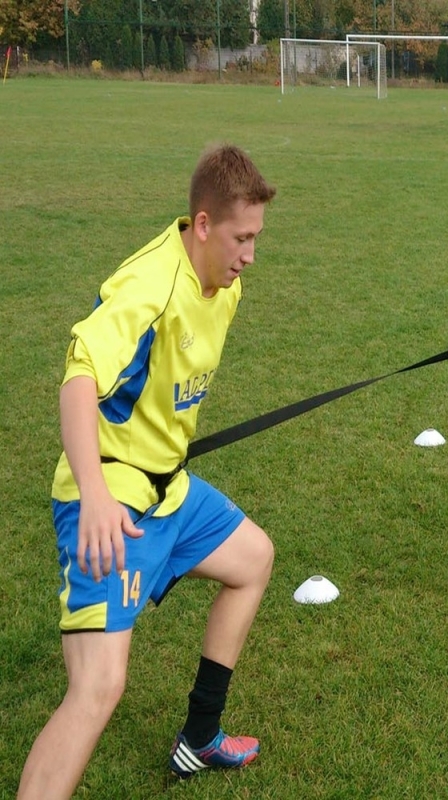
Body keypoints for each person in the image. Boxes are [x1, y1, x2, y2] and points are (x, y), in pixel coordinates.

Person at [18, 144, 277, 798]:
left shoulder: (225, 283)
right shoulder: (148, 287)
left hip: (169, 491)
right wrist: (100, 499)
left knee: (253, 560)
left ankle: (199, 738)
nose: (250, 254)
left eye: (256, 238)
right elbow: (79, 381)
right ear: (202, 225)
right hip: (109, 505)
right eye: (241, 238)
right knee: (97, 688)